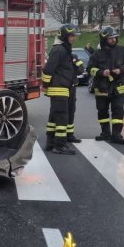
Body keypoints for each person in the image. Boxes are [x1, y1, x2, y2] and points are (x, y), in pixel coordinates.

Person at [86, 27, 124, 144]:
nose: (113, 40)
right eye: (110, 38)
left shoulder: (123, 50)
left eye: (114, 38)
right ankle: (105, 133)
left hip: (119, 86)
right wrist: (101, 72)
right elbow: (90, 69)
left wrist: (122, 69)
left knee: (118, 110)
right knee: (102, 111)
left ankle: (116, 135)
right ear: (104, 40)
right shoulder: (97, 54)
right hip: (102, 87)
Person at [42, 23, 81, 155]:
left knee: (54, 117)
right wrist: (45, 86)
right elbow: (48, 70)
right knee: (62, 118)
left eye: (74, 36)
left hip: (62, 88)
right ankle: (59, 145)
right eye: (71, 36)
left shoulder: (64, 49)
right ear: (64, 36)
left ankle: (50, 143)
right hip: (59, 89)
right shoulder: (59, 50)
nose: (74, 38)